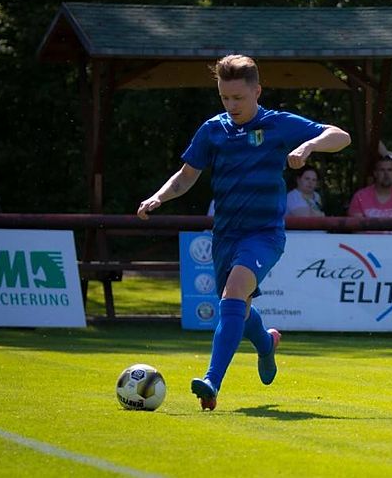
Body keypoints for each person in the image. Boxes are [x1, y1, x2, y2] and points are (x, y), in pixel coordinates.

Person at [136, 55, 350, 411]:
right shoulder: (213, 130)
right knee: (238, 307)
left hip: (264, 235)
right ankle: (266, 343)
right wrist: (159, 196)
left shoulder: (278, 124)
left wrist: (309, 145)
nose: (231, 105)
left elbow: (341, 136)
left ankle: (211, 381)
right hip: (225, 236)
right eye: (224, 98)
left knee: (234, 292)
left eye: (238, 97)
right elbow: (186, 177)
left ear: (257, 91)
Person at [348, 156, 392, 222]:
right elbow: (357, 227)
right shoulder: (359, 197)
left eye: (390, 170)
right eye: (382, 170)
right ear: (375, 173)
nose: (386, 174)